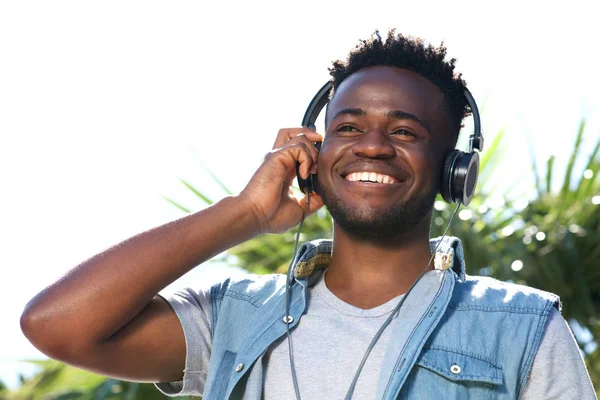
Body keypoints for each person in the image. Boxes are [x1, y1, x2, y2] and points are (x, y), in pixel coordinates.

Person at [21, 30, 596, 399]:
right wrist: (244, 213)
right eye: (347, 127)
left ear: (454, 168)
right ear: (313, 156)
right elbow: (56, 324)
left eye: (404, 131)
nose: (371, 146)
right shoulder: (234, 317)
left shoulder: (521, 327)